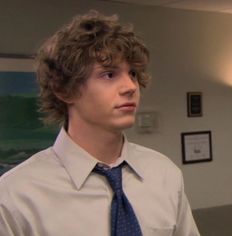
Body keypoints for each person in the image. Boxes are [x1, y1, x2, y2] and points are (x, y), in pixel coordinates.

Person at [0, 10, 200, 236]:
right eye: (109, 74)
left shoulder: (164, 175)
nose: (131, 87)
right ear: (64, 89)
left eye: (132, 73)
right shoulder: (15, 196)